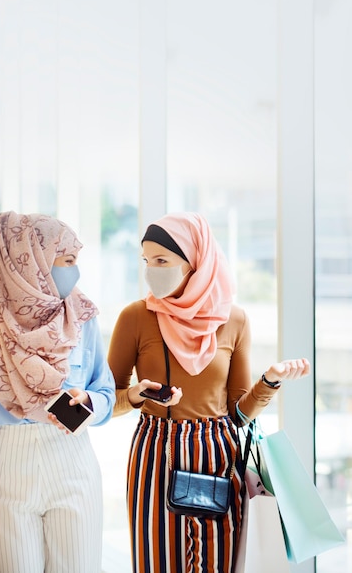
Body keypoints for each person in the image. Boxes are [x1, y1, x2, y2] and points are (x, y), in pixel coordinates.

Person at [107, 212, 310, 573]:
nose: (151, 270)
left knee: (218, 563)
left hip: (218, 455)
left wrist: (270, 381)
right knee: (157, 561)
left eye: (162, 260)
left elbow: (238, 413)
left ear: (194, 263)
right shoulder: (135, 317)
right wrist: (137, 396)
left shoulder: (235, 320)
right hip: (156, 451)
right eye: (146, 261)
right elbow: (109, 400)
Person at [0, 211, 115, 573]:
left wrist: (90, 402)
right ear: (35, 260)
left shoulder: (82, 317)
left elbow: (105, 389)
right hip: (8, 463)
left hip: (72, 459)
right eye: (67, 260)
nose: (75, 271)